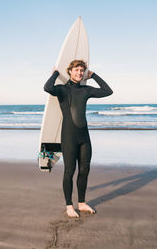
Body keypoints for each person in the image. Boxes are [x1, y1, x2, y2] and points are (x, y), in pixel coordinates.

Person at [43, 60, 113, 218]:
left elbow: (108, 91)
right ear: (70, 71)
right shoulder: (61, 90)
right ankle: (69, 206)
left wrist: (93, 75)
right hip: (68, 136)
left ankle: (81, 203)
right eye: (76, 70)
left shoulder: (86, 90)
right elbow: (47, 87)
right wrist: (55, 73)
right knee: (70, 171)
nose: (80, 73)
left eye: (82, 70)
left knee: (85, 169)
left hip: (84, 136)